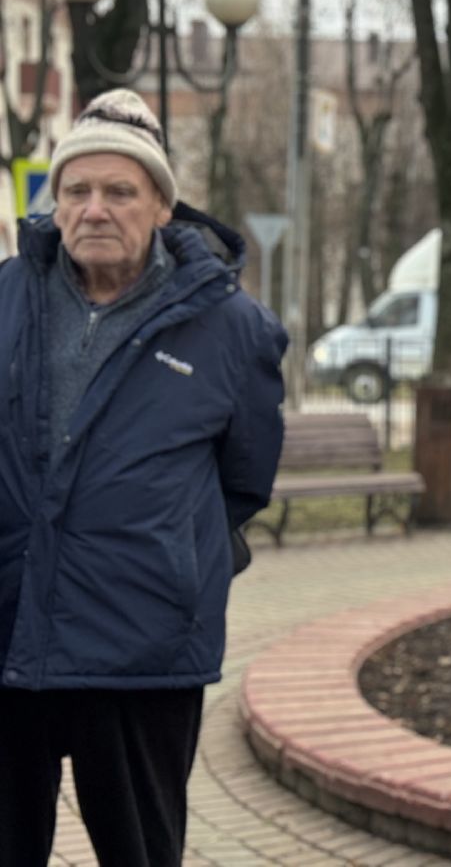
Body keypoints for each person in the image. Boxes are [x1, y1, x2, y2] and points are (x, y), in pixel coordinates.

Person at [0, 89, 287, 866]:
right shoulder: (6, 298)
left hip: (142, 647)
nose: (96, 209)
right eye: (77, 190)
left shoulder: (232, 328)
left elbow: (244, 479)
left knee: (141, 853)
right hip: (8, 629)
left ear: (163, 205)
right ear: (54, 202)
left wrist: (168, 554)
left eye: (120, 191)